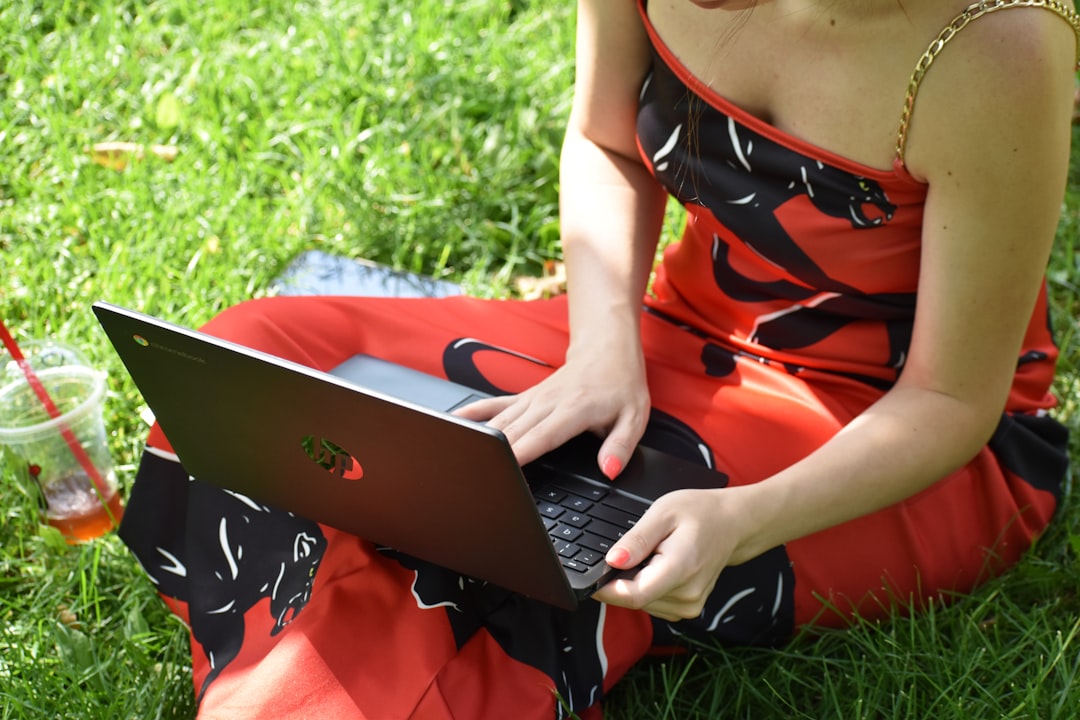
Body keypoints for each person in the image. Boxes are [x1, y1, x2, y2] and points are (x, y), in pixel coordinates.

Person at [118, 1, 1080, 717]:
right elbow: (605, 141)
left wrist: (743, 522)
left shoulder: (998, 45)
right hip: (660, 332)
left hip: (883, 430)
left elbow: (952, 398)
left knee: (515, 549)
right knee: (261, 361)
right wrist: (601, 353)